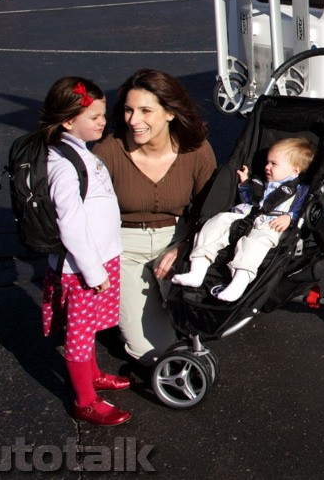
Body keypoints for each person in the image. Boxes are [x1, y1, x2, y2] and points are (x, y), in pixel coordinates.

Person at [92, 69, 216, 362]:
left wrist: (185, 244)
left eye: (146, 111)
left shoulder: (197, 150)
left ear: (170, 113)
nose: (134, 120)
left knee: (200, 323)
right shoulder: (109, 151)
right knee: (151, 353)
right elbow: (89, 213)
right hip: (123, 245)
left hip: (177, 238)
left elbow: (210, 211)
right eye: (128, 110)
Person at [37, 77, 133, 426]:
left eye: (103, 114)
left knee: (89, 327)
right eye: (94, 116)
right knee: (78, 334)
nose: (102, 122)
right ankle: (85, 400)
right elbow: (71, 226)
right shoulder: (62, 164)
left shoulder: (78, 150)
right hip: (80, 268)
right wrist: (93, 271)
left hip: (99, 258)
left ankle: (91, 376)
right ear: (67, 121)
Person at [173, 137, 315, 302]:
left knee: (256, 243)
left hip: (271, 224)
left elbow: (301, 209)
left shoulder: (299, 190)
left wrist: (289, 218)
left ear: (295, 170)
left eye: (273, 164)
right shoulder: (260, 181)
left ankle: (238, 283)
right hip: (245, 214)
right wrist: (245, 183)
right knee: (216, 223)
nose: (267, 167)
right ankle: (197, 270)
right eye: (267, 162)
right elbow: (250, 200)